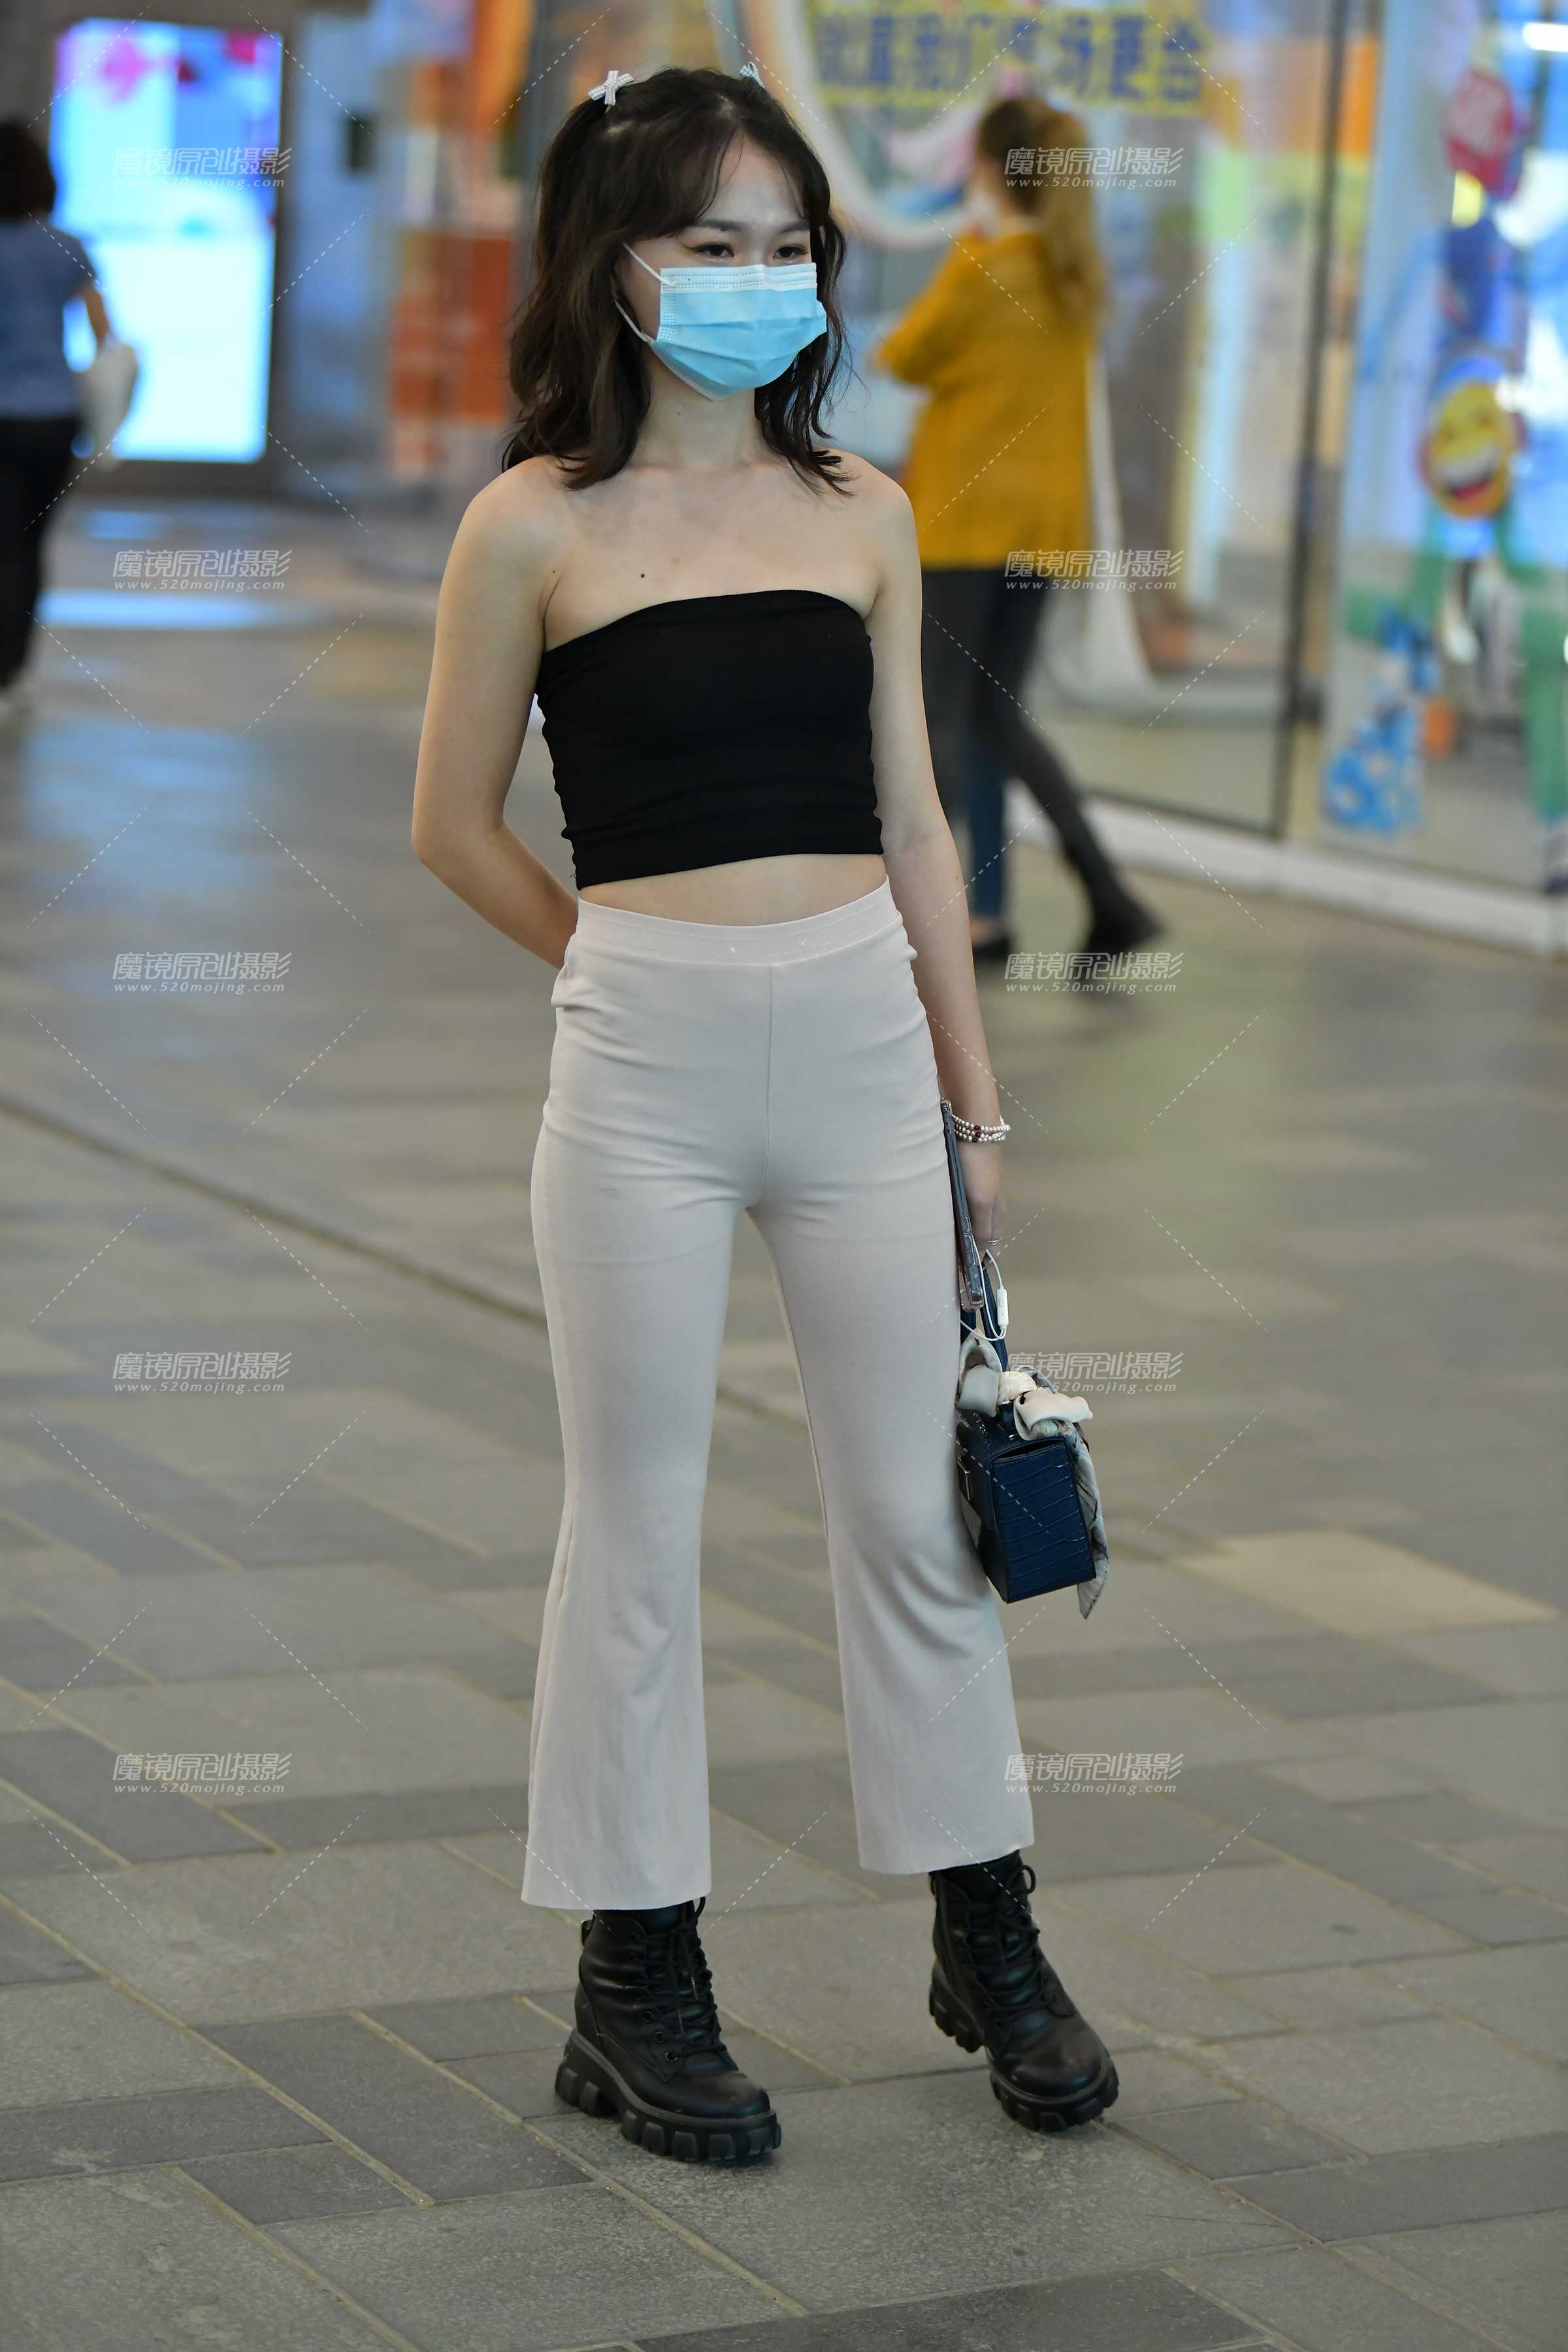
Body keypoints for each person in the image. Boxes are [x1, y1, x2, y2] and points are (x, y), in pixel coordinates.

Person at [412, 64, 1118, 2167]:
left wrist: (974, 1112)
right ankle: (637, 1973)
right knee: (631, 1521)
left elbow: (915, 821)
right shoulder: (530, 524)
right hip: (641, 1060)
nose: (755, 278)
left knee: (911, 1509)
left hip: (866, 1049)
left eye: (786, 243)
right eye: (706, 240)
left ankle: (985, 1931)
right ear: (612, 262)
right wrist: (618, 968)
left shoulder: (860, 509)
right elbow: (449, 824)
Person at [875, 93, 1162, 964]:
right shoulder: (1075, 278)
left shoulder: (983, 266)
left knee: (944, 721)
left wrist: (968, 245)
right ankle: (1024, 910)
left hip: (967, 524)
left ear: (994, 173)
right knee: (992, 720)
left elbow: (902, 354)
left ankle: (942, 910)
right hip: (1043, 531)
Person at [0, 121, 110, 719]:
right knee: (28, 546)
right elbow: (104, 332)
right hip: (52, 416)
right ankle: (14, 671)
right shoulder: (67, 247)